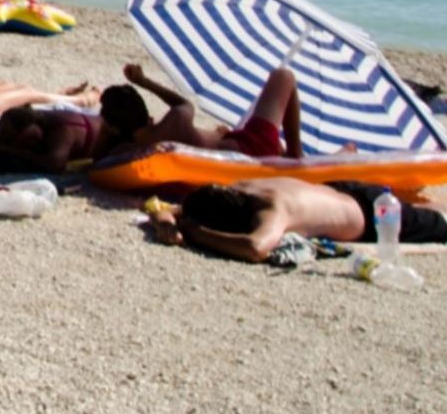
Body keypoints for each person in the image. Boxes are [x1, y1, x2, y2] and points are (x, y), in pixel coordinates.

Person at [154, 177, 447, 263]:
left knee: (438, 224)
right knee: (427, 210)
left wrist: (198, 233)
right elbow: (172, 209)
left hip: (371, 216)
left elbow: (255, 248)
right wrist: (166, 219)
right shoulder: (241, 188)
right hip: (342, 190)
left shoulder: (272, 209)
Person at [101, 62, 302, 159]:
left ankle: (285, 152)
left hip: (237, 144)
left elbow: (99, 161)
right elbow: (184, 104)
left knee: (276, 146)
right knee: (283, 75)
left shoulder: (130, 150)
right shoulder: (173, 122)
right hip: (252, 146)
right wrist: (144, 82)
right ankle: (296, 155)